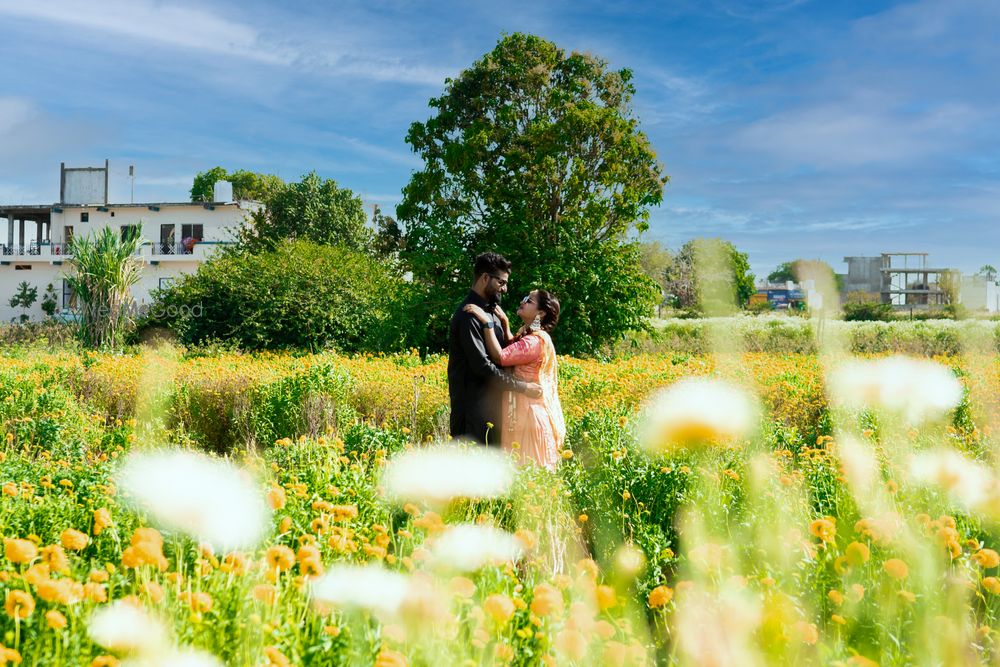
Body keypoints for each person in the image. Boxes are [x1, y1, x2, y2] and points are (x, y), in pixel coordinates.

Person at [463, 289, 565, 470]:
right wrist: (505, 322)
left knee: (529, 476)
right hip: (524, 413)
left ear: (540, 313)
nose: (523, 301)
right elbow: (516, 348)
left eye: (529, 300)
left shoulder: (534, 342)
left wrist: (487, 324)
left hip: (529, 418)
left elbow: (500, 356)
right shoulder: (532, 337)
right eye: (524, 297)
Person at [448, 252, 541, 445]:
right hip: (473, 414)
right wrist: (523, 387)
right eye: (501, 282)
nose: (505, 289)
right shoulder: (469, 315)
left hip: (494, 410)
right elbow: (482, 367)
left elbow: (505, 356)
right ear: (484, 278)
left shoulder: (493, 312)